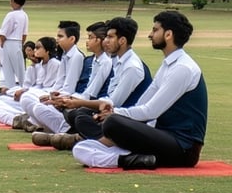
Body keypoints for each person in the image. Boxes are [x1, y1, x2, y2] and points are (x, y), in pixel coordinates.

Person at [73, 11, 205, 170]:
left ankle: (127, 159)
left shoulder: (182, 68)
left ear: (168, 34)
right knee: (81, 149)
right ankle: (136, 158)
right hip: (159, 136)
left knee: (113, 122)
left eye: (155, 30)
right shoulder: (168, 65)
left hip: (183, 147)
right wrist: (114, 111)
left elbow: (150, 112)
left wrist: (115, 114)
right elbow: (144, 101)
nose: (150, 35)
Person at [35, 18, 152, 150]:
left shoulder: (132, 67)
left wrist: (78, 103)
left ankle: (83, 139)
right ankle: (82, 138)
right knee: (79, 114)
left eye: (109, 37)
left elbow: (113, 104)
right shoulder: (118, 61)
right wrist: (71, 101)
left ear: (122, 41)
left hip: (125, 118)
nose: (105, 41)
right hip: (111, 113)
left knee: (81, 116)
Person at [0, 0, 29, 88]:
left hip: (9, 42)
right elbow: (24, 33)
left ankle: (13, 86)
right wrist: (21, 44)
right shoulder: (24, 15)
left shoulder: (11, 15)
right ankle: (20, 86)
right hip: (18, 42)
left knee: (8, 67)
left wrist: (1, 42)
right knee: (19, 67)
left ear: (13, 1)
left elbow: (4, 32)